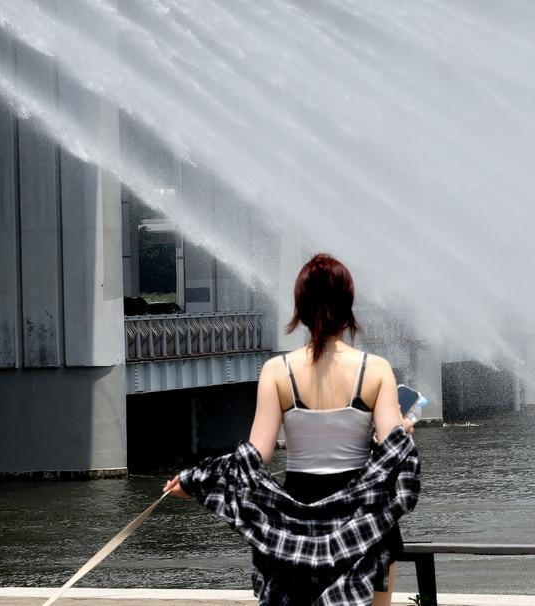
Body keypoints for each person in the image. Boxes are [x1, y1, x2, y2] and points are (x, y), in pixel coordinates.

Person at [163, 253, 419, 606]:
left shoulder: (277, 370)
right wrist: (404, 428)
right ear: (348, 304)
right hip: (361, 523)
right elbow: (394, 450)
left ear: (300, 306)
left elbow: (256, 457)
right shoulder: (375, 370)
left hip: (294, 524)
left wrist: (195, 480)